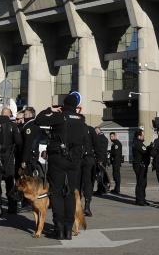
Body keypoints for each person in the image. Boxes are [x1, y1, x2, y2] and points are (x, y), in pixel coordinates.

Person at [35, 94, 88, 240]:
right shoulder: (81, 119)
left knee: (57, 193)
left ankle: (58, 229)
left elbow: (38, 120)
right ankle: (68, 229)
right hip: (74, 161)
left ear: (63, 105)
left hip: (58, 158)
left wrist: (49, 109)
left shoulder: (60, 116)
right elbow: (85, 139)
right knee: (70, 193)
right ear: (76, 105)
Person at [0, 107, 22, 213]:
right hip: (9, 156)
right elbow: (19, 141)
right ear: (9, 115)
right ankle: (12, 206)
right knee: (9, 181)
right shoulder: (13, 125)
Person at [78, 111, 96, 217]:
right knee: (87, 182)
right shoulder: (90, 129)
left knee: (77, 182)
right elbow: (97, 144)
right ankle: (87, 206)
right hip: (88, 159)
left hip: (78, 159)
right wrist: (99, 159)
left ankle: (79, 205)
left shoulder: (75, 130)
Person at [19, 106, 44, 178]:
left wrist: (24, 160)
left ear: (30, 115)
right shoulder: (33, 125)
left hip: (29, 157)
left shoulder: (30, 126)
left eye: (25, 114)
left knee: (27, 178)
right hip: (32, 156)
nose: (24, 116)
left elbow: (28, 144)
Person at [130, 129, 149, 206]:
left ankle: (142, 199)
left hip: (139, 164)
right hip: (140, 165)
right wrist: (151, 148)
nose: (144, 136)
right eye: (143, 135)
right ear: (139, 136)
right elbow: (145, 152)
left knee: (143, 183)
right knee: (141, 183)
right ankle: (140, 200)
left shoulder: (137, 142)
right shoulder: (138, 143)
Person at [92, 127, 109, 195]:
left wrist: (99, 160)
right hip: (103, 159)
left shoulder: (99, 138)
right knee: (102, 175)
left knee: (99, 175)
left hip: (100, 159)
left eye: (95, 131)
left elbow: (99, 150)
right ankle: (103, 189)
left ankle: (100, 190)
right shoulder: (105, 138)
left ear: (98, 131)